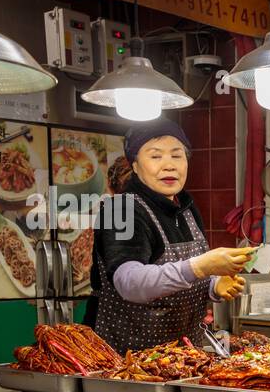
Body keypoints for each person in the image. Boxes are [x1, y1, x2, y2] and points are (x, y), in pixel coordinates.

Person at [89, 121, 255, 353]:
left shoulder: (185, 208)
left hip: (183, 356)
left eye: (177, 156)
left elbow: (178, 276)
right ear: (135, 165)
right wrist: (200, 267)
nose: (169, 165)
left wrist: (212, 286)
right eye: (156, 157)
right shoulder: (121, 209)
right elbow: (128, 283)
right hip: (125, 360)